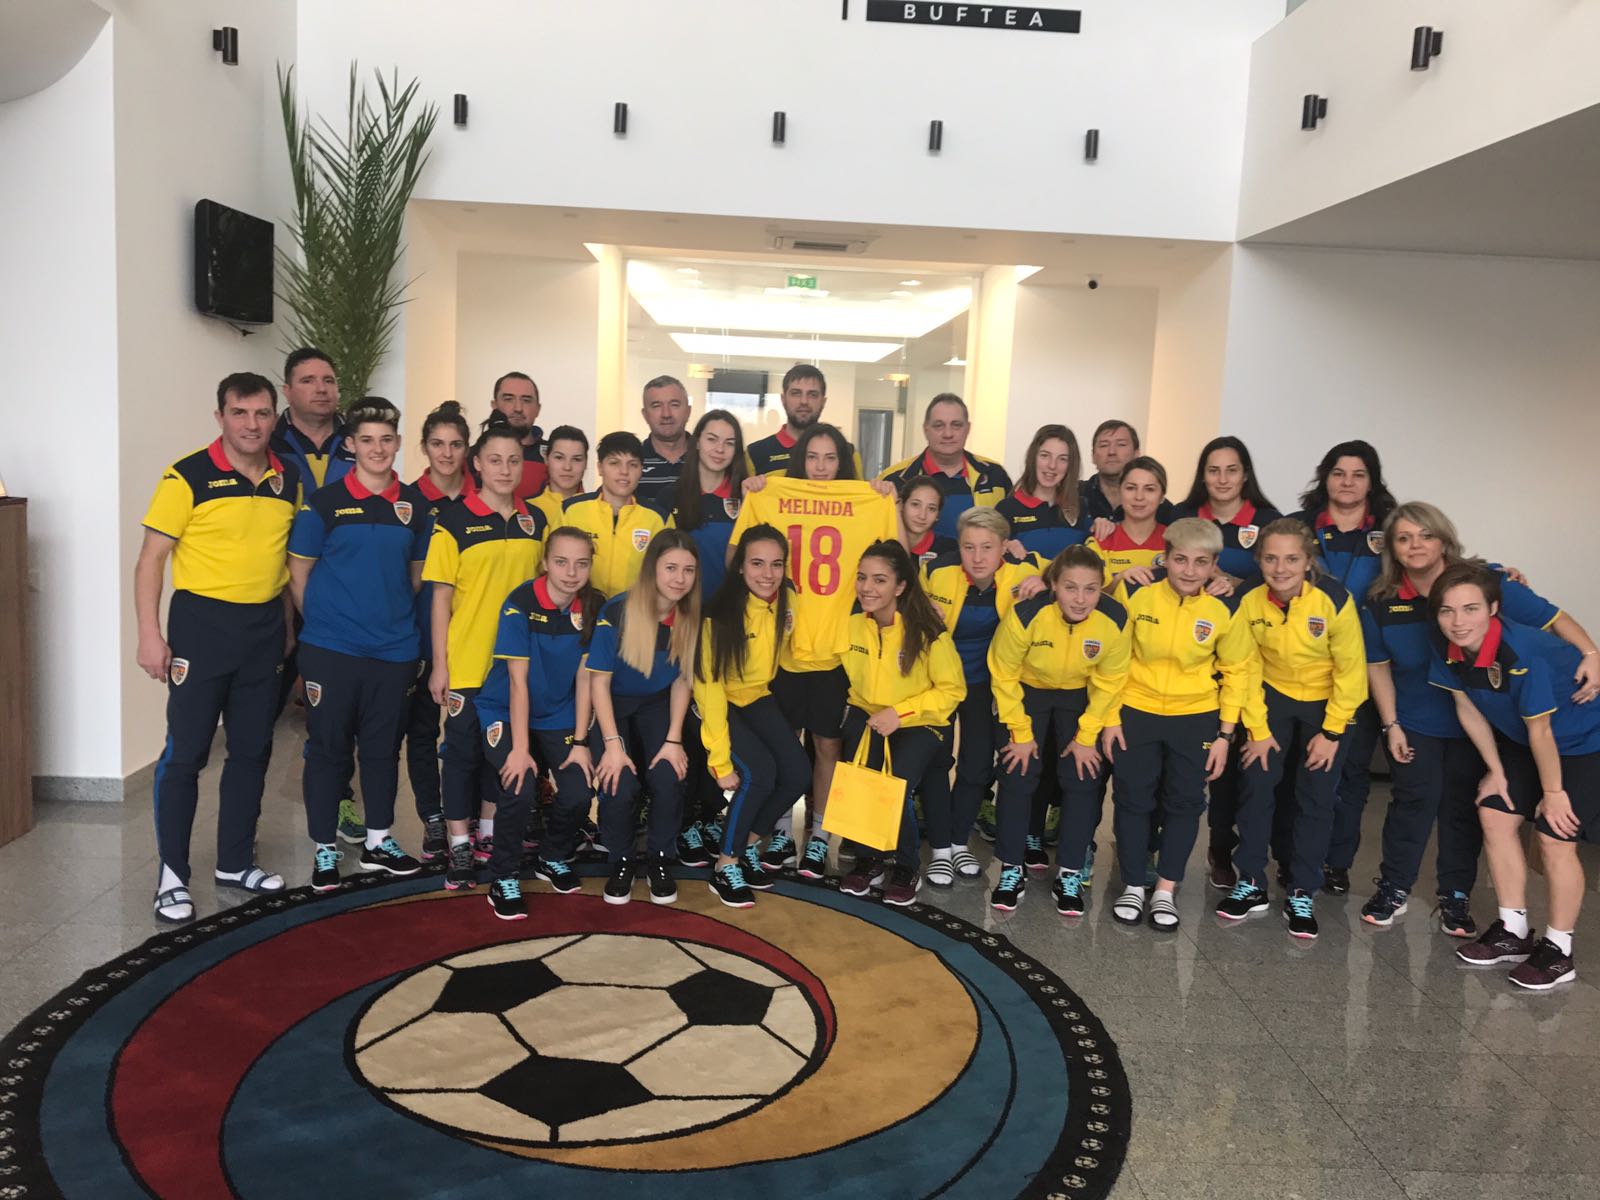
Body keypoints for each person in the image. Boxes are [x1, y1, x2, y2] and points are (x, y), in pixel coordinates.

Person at [1360, 502, 1597, 932]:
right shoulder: (1382, 601)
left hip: (1490, 726)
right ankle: (1394, 887)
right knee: (1413, 801)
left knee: (1466, 809)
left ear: (1444, 540)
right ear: (1391, 547)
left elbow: (1553, 618)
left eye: (1426, 535)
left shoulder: (1488, 583)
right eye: (1404, 538)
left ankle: (1456, 897)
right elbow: (1378, 667)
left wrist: (1591, 654)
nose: (1416, 545)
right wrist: (1391, 723)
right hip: (1419, 721)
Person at [135, 373, 301, 922]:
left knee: (253, 749)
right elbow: (151, 560)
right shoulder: (187, 475)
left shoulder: (288, 478)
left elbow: (283, 562)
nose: (251, 424)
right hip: (201, 627)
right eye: (239, 413)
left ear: (274, 417)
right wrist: (149, 635)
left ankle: (234, 862)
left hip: (263, 629)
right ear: (220, 417)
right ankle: (172, 875)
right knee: (186, 753)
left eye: (261, 413)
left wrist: (288, 627)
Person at [730, 424, 898, 876]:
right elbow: (737, 554)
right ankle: (782, 831)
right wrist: (756, 493)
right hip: (783, 650)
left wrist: (885, 500)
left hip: (836, 651)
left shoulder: (866, 500)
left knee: (828, 745)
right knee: (784, 744)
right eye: (813, 457)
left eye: (830, 458)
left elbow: (895, 556)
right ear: (799, 460)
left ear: (843, 463)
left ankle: (820, 835)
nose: (821, 468)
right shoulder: (771, 493)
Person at [1432, 563, 1600, 989]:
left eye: (1470, 609)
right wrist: (1496, 770)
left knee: (1555, 834)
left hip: (1585, 741)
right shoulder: (1448, 646)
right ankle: (1513, 930)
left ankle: (1559, 950)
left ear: (1493, 608)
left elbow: (1542, 729)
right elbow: (1467, 707)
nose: (1458, 621)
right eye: (1447, 611)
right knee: (1494, 812)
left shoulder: (1521, 651)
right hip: (1528, 741)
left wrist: (1553, 792)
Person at [287, 398, 427, 892]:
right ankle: (325, 847)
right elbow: (299, 575)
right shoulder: (324, 504)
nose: (378, 448)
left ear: (398, 443)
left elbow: (414, 578)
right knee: (328, 749)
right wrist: (330, 623)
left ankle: (378, 841)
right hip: (331, 649)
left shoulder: (415, 506)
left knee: (382, 749)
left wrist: (384, 618)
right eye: (367, 440)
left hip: (394, 650)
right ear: (351, 445)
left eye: (386, 440)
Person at [1104, 520, 1257, 929]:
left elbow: (1238, 672)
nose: (1189, 571)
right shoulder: (1137, 591)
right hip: (1136, 711)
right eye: (1180, 559)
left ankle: (1165, 890)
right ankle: (1133, 884)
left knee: (1185, 803)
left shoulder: (1225, 606)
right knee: (1132, 799)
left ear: (1214, 565)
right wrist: (1110, 717)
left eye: (1201, 562)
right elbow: (1114, 660)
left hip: (1196, 717)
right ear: (1165, 557)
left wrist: (1225, 735)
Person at [1223, 518, 1368, 940]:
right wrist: (1258, 728)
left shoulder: (1334, 598)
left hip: (1327, 703)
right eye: (1270, 558)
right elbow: (1244, 666)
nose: (1280, 568)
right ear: (1259, 560)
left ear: (1308, 561)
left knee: (1316, 797)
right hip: (1271, 698)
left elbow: (1352, 672)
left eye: (1291, 559)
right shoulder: (1249, 598)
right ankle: (1250, 881)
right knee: (1256, 787)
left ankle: (1302, 890)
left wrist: (1332, 732)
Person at [423, 415, 548, 890]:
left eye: (513, 461)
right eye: (495, 460)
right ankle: (459, 843)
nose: (505, 469)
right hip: (467, 662)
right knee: (460, 755)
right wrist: (440, 666)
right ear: (476, 463)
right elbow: (440, 599)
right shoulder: (453, 521)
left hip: (515, 667)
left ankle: (490, 834)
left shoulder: (536, 521)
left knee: (504, 754)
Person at [987, 544, 1130, 915]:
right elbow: (1003, 674)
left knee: (1083, 776)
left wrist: (1086, 738)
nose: (1080, 599)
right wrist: (1020, 733)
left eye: (1090, 589)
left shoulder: (1115, 618)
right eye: (1070, 587)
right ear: (1053, 585)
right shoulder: (1027, 613)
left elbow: (1110, 682)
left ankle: (1070, 871)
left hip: (1079, 693)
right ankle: (1011, 867)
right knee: (1018, 772)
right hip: (1027, 690)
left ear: (1101, 588)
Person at [471, 527, 604, 918]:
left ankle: (553, 855)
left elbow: (585, 678)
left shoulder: (594, 605)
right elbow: (517, 682)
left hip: (558, 712)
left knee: (579, 791)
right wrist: (520, 749)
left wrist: (581, 743)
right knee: (520, 783)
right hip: (503, 708)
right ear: (545, 562)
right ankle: (504, 875)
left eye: (581, 563)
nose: (571, 572)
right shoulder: (520, 603)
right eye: (561, 562)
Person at [1171, 436, 1282, 888]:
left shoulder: (1268, 521)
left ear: (1245, 474)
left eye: (1231, 469)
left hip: (1253, 656)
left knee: (1246, 760)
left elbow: (1282, 574)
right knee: (1211, 760)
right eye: (1213, 470)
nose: (1222, 479)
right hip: (1198, 657)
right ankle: (1218, 847)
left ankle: (1251, 854)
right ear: (1202, 475)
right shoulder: (1182, 516)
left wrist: (1237, 582)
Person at [1288, 439, 1396, 893]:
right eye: (1338, 473)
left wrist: (1498, 572)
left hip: (1364, 668)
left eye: (1358, 474)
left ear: (1372, 482)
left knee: (1350, 771)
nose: (1347, 482)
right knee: (1299, 770)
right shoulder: (1299, 528)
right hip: (1303, 668)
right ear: (1325, 477)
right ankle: (1293, 857)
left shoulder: (1390, 531)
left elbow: (1435, 561)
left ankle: (1336, 862)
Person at [837, 541, 966, 906]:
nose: (867, 587)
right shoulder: (850, 623)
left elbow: (952, 690)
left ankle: (907, 866)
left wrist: (901, 713)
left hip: (922, 720)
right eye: (862, 577)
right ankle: (870, 860)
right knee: (863, 779)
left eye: (880, 580)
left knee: (894, 784)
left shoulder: (928, 631)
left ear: (900, 586)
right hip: (869, 713)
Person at [922, 508, 1046, 885]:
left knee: (976, 767)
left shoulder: (1022, 571)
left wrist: (1044, 580)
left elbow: (1075, 576)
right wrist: (920, 609)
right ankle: (940, 850)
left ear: (1004, 546)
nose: (977, 557)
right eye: (968, 547)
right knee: (936, 762)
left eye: (987, 547)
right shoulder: (936, 571)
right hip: (938, 681)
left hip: (984, 685)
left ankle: (958, 842)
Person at [694, 525, 812, 907]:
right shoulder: (718, 616)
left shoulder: (788, 599)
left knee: (798, 774)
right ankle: (724, 865)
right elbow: (709, 688)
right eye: (758, 563)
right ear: (741, 567)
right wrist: (719, 758)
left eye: (777, 564)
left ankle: (742, 845)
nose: (768, 573)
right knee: (759, 774)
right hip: (719, 702)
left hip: (757, 696)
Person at [586, 530, 701, 905]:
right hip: (613, 703)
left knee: (670, 775)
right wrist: (612, 746)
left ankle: (660, 858)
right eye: (670, 568)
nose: (679, 578)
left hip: (656, 704)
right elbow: (599, 683)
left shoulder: (689, 616)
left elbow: (683, 680)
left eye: (688, 570)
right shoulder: (617, 611)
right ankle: (621, 859)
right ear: (652, 568)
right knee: (618, 779)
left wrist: (673, 739)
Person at [407, 401, 475, 861]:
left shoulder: (482, 498)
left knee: (469, 734)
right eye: (437, 444)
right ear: (424, 447)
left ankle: (468, 819)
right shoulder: (408, 501)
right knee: (422, 730)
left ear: (467, 449)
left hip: (470, 637)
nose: (447, 454)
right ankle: (433, 817)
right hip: (418, 632)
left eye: (455, 444)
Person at [879, 394, 1012, 539]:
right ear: (926, 429)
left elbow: (1010, 533)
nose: (948, 434)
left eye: (956, 425)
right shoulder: (894, 479)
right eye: (939, 425)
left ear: (968, 429)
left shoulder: (995, 475)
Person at [562, 431, 666, 597]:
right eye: (614, 463)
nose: (624, 471)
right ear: (600, 468)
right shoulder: (570, 511)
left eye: (633, 464)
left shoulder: (659, 519)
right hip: (579, 608)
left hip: (634, 609)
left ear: (641, 469)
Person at [668, 410, 748, 600]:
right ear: (696, 442)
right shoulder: (670, 496)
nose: (720, 449)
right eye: (712, 439)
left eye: (729, 443)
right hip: (681, 607)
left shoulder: (746, 496)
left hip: (732, 608)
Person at [745, 364, 863, 477]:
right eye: (796, 393)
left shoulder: (848, 453)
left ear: (823, 401)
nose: (804, 401)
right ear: (783, 399)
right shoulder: (755, 454)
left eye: (812, 394)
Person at [997, 424, 1093, 560]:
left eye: (1062, 459)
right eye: (1045, 455)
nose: (1052, 465)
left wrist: (1103, 526)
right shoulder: (1006, 509)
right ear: (1033, 457)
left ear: (1070, 465)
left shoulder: (1082, 507)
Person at [271, 347, 353, 494]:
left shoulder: (360, 439)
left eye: (328, 381)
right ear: (287, 391)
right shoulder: (268, 442)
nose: (321, 389)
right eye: (308, 381)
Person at [1084, 456, 1170, 589]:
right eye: (1131, 488)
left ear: (1162, 497)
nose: (1139, 497)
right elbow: (1086, 595)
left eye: (1149, 489)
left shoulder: (1174, 541)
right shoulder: (1100, 541)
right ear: (1120, 491)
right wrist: (1119, 579)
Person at [1081, 420, 1176, 525]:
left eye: (1121, 444)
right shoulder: (1074, 497)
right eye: (1104, 445)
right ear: (1093, 455)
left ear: (1136, 453)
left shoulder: (1164, 510)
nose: (1112, 452)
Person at [636, 375, 692, 516]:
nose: (666, 414)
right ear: (645, 415)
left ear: (688, 411)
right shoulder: (632, 462)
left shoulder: (709, 459)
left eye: (674, 405)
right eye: (656, 406)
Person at [489, 371, 550, 501]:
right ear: (494, 406)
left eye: (526, 400)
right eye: (509, 399)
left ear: (538, 409)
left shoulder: (555, 457)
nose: (518, 408)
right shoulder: (474, 456)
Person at [531, 425, 588, 533]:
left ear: (586, 463)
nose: (567, 467)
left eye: (577, 459)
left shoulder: (597, 510)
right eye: (559, 457)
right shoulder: (527, 510)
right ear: (546, 459)